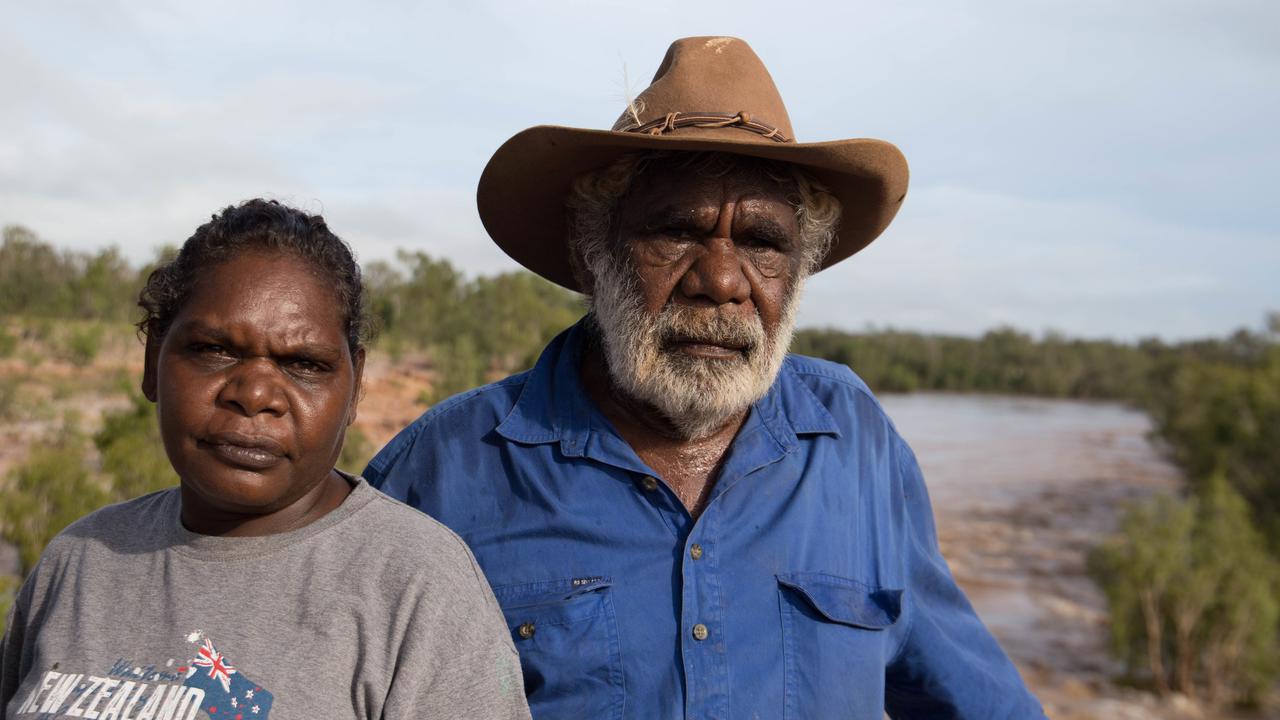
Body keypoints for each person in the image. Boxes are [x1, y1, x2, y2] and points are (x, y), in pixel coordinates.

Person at [367, 37, 1045, 718]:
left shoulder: (854, 440)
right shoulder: (446, 468)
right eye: (675, 233)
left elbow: (974, 697)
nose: (721, 282)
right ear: (589, 255)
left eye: (762, 243)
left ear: (800, 267)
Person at [0, 200, 530, 720]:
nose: (254, 394)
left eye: (304, 363)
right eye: (214, 350)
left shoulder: (416, 587)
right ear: (151, 361)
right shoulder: (77, 561)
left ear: (355, 387)